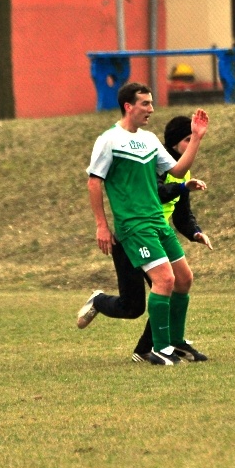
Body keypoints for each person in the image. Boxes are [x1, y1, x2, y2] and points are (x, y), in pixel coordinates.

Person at [83, 82, 209, 366]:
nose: (151, 109)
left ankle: (175, 341)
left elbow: (178, 170)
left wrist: (197, 139)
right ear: (129, 106)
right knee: (164, 280)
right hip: (134, 224)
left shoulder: (150, 139)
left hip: (156, 221)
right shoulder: (109, 140)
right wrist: (102, 225)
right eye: (146, 103)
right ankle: (159, 349)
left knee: (184, 279)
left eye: (151, 103)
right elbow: (94, 182)